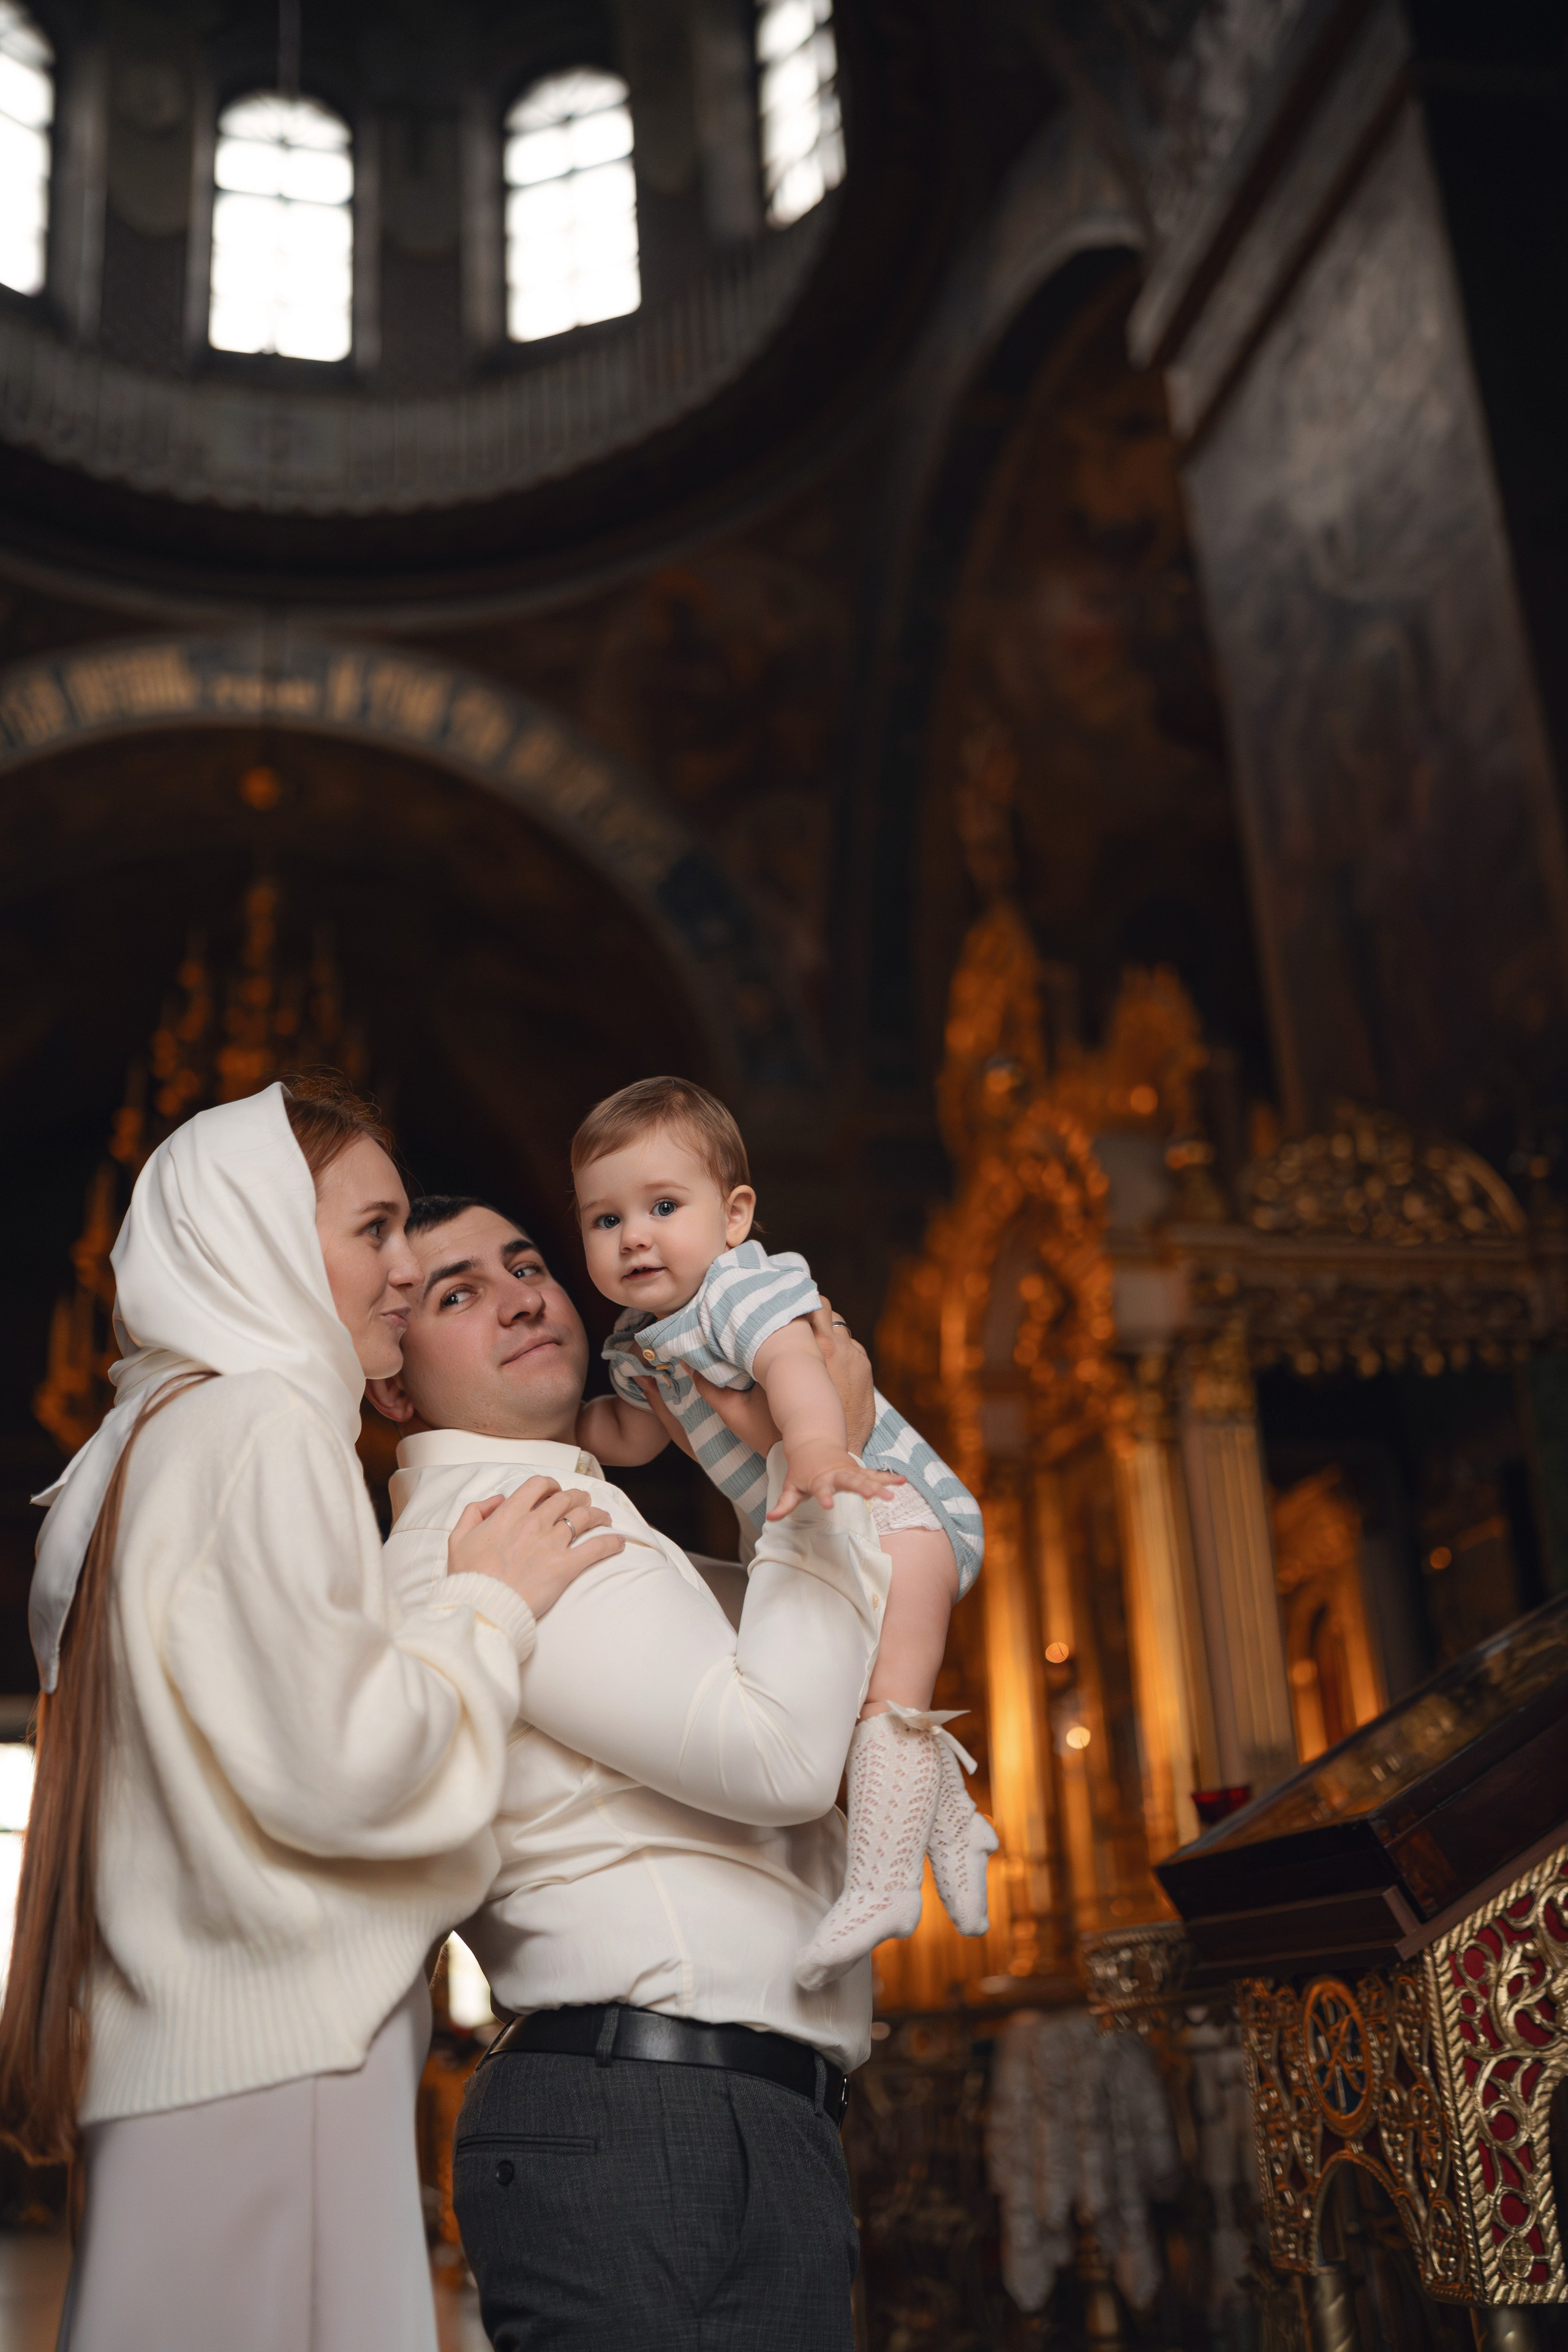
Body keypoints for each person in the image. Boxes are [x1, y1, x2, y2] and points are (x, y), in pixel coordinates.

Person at [0, 1080, 622, 2352]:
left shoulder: (150, 1439)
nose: (405, 1268)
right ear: (265, 1236)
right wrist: (485, 1606)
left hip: (183, 2054)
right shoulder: (267, 1420)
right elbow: (345, 1764)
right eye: (373, 1230)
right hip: (281, 2052)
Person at [368, 1194, 895, 2352]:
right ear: (393, 1387)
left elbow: (825, 1690)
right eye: (459, 1293)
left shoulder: (583, 1512)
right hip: (644, 2111)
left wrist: (778, 1474)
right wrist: (826, 1462)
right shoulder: (500, 1525)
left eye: (527, 1266)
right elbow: (785, 1758)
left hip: (710, 2108)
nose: (522, 1299)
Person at [568, 1075, 995, 1986]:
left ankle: (881, 1885)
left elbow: (795, 1365)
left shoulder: (740, 1288)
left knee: (889, 1697)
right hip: (822, 1539)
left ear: (733, 1216)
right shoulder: (638, 1343)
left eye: (662, 1207)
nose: (633, 1235)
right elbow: (633, 1436)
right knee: (860, 1696)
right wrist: (555, 1427)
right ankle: (952, 1821)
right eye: (605, 1220)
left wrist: (818, 1446)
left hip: (895, 1510)